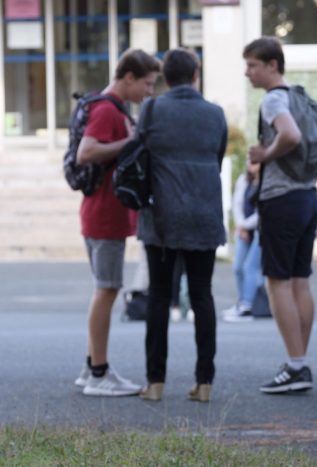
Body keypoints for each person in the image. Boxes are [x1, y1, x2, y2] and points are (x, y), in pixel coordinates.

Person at [136, 48, 227, 402]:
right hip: (204, 216)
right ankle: (204, 382)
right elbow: (216, 160)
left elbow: (141, 155)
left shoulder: (153, 109)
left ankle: (155, 382)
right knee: (202, 297)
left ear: (164, 77)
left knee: (159, 298)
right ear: (195, 75)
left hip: (161, 218)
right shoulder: (215, 114)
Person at [74, 48, 161, 397]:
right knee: (107, 289)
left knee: (105, 288)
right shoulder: (107, 109)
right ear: (128, 78)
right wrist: (134, 140)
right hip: (103, 215)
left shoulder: (114, 109)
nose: (149, 91)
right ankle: (99, 372)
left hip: (106, 213)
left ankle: (90, 365)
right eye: (147, 83)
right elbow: (86, 152)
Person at [244, 37, 317, 394]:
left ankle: (295, 366)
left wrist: (265, 155)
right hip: (308, 196)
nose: (248, 72)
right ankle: (299, 361)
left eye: (253, 65)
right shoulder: (301, 95)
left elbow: (289, 135)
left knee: (277, 282)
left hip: (282, 200)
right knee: (299, 281)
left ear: (273, 65)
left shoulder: (274, 98)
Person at [223, 159, 263, 322]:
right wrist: (241, 226)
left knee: (250, 267)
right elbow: (237, 204)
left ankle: (248, 305)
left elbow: (262, 211)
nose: (251, 164)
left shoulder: (266, 183)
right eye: (249, 161)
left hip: (260, 230)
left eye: (255, 162)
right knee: (238, 267)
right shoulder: (243, 180)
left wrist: (245, 226)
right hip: (244, 230)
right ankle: (241, 303)